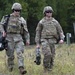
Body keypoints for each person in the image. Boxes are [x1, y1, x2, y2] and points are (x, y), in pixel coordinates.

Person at [0, 2, 30, 74]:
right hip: (9, 38)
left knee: (20, 53)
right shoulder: (6, 18)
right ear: (13, 10)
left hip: (18, 38)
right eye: (15, 10)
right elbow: (1, 25)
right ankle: (10, 68)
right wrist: (3, 32)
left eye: (18, 10)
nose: (17, 12)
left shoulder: (22, 20)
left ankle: (21, 68)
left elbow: (26, 31)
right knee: (10, 55)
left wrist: (27, 39)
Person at [35, 6, 65, 72]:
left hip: (53, 40)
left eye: (50, 12)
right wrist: (37, 43)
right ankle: (45, 69)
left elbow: (60, 31)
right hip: (44, 40)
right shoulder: (41, 22)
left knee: (52, 56)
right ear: (45, 13)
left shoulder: (55, 22)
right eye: (47, 12)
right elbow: (38, 32)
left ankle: (50, 70)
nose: (49, 13)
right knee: (47, 54)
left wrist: (62, 38)